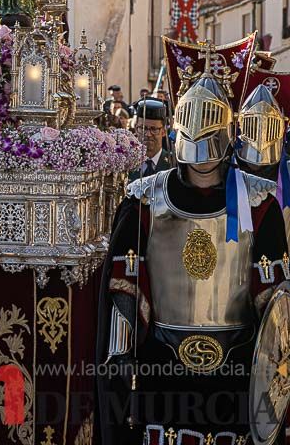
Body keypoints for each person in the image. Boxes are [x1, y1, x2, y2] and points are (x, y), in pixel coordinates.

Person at [96, 49, 288, 444]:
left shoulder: (257, 202)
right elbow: (124, 289)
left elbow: (274, 306)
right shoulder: (144, 199)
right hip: (161, 371)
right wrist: (120, 366)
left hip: (236, 372)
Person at [127, 98, 172, 180]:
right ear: (136, 129)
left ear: (163, 131)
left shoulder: (173, 164)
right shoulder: (126, 162)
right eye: (143, 128)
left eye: (154, 129)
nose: (148, 134)